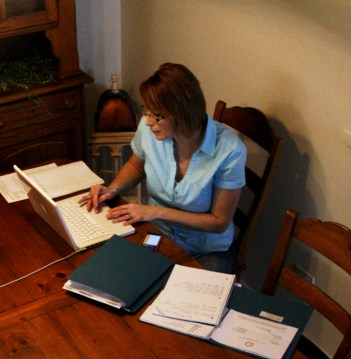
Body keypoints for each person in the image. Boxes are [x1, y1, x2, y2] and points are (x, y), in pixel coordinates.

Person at [82, 63, 246, 273]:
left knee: (190, 303)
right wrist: (112, 190)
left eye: (156, 115)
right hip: (157, 234)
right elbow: (136, 165)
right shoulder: (150, 128)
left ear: (183, 113)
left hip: (206, 249)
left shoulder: (230, 150)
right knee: (114, 275)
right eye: (146, 111)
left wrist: (155, 212)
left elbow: (219, 222)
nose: (148, 122)